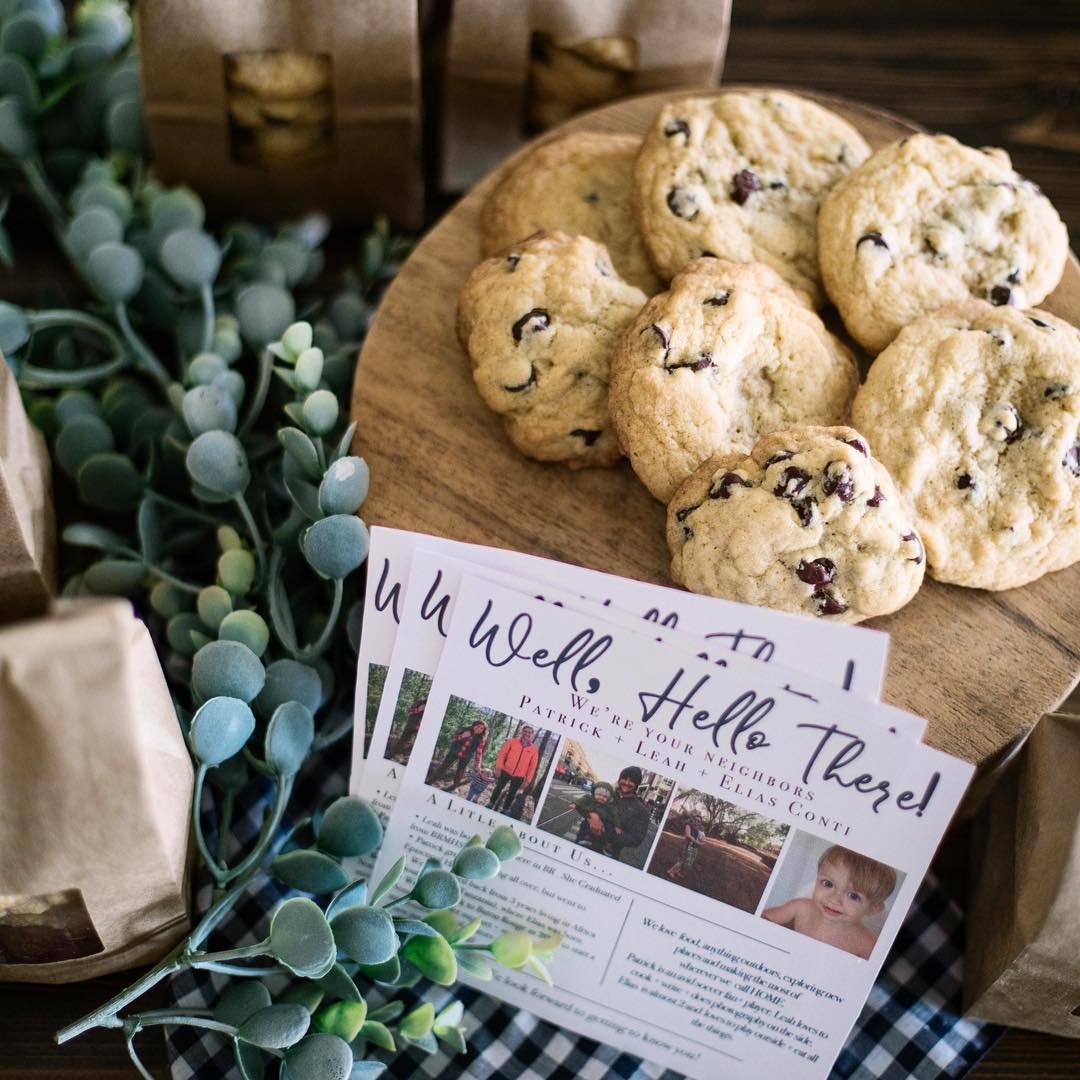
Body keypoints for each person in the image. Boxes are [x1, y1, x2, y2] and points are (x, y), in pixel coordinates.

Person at [762, 845, 897, 960]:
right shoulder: (801, 907)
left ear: (874, 909)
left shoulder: (866, 944)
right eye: (828, 884)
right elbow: (766, 917)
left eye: (854, 896)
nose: (834, 899)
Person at [582, 766, 651, 864]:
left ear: (637, 784)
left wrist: (609, 834)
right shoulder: (607, 794)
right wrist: (592, 816)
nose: (626, 783)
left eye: (631, 781)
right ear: (619, 779)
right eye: (624, 778)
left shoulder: (641, 810)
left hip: (608, 854)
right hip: (585, 842)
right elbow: (588, 804)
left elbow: (636, 839)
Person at [488, 725, 539, 813]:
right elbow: (502, 754)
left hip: (519, 776)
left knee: (512, 794)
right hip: (505, 770)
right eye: (525, 731)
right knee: (498, 788)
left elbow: (532, 767)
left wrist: (527, 781)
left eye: (529, 732)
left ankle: (505, 809)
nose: (527, 733)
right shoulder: (512, 742)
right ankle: (491, 803)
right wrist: (498, 767)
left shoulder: (534, 750)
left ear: (532, 735)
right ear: (522, 732)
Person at [429, 719, 488, 792]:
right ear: (474, 725)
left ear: (483, 731)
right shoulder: (464, 729)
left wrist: (478, 764)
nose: (479, 729)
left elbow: (479, 752)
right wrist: (462, 736)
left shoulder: (481, 739)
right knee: (443, 767)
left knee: (460, 772)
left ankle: (453, 787)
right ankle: (430, 781)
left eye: (482, 728)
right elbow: (453, 738)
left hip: (466, 756)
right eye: (478, 726)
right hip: (454, 752)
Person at [573, 781, 619, 851]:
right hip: (589, 820)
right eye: (599, 795)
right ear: (594, 794)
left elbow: (615, 815)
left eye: (605, 797)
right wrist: (575, 804)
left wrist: (617, 826)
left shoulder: (609, 806)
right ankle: (584, 839)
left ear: (608, 799)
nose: (601, 797)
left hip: (605, 822)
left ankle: (608, 844)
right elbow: (582, 801)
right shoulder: (590, 799)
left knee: (609, 830)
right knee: (584, 825)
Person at [388, 695, 427, 763]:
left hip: (419, 728)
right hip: (411, 725)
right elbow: (409, 711)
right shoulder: (419, 702)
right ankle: (392, 755)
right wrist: (418, 710)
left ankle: (404, 758)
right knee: (403, 740)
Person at [666, 814, 704, 882]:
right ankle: (670, 871)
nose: (697, 822)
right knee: (681, 860)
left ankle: (676, 872)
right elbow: (688, 835)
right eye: (696, 820)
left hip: (691, 846)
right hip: (686, 845)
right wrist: (697, 842)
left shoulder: (695, 828)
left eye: (698, 821)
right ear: (693, 819)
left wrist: (700, 840)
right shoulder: (688, 825)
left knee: (684, 861)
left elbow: (698, 837)